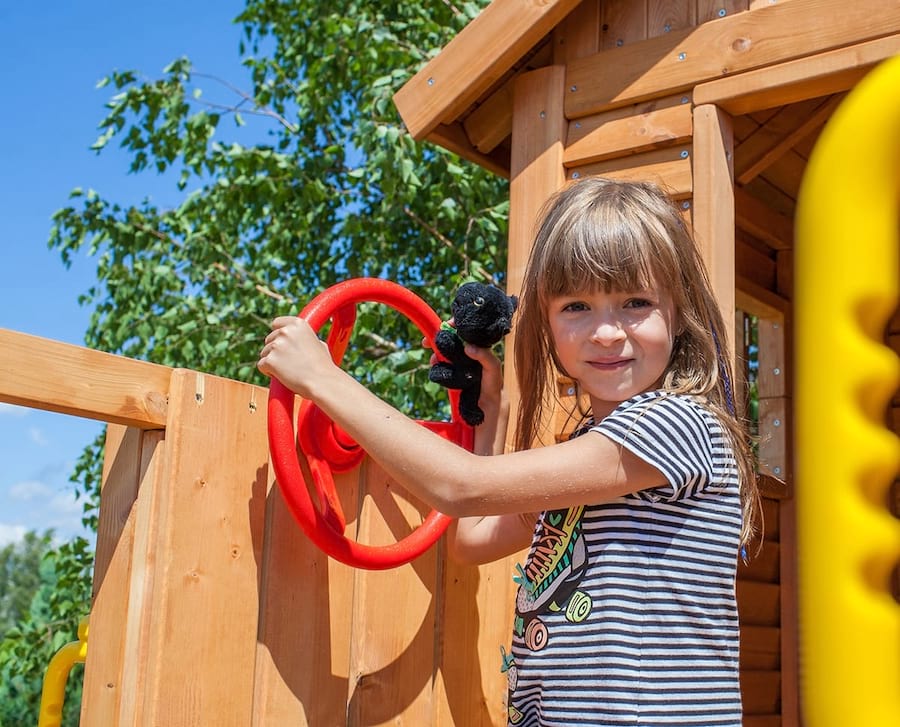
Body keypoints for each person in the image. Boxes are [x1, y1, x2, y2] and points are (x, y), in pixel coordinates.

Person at [258, 176, 759, 727]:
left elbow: (462, 487)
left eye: (635, 302)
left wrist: (324, 381)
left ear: (678, 307)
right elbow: (472, 538)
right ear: (546, 321)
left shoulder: (675, 425)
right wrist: (489, 411)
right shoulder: (587, 463)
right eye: (577, 306)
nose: (606, 332)